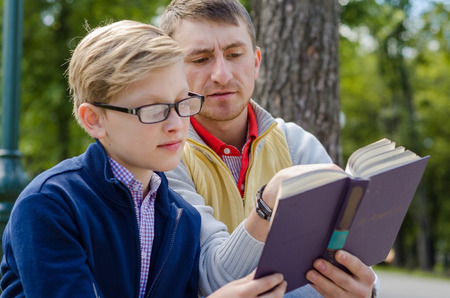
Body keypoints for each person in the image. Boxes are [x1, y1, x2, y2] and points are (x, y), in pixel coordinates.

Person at [0, 20, 287, 298]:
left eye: (182, 103)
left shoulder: (182, 218)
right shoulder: (50, 206)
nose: (176, 124)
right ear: (94, 119)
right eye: (153, 109)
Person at [160, 0, 380, 297]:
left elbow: (349, 259)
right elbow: (212, 282)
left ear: (256, 62)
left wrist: (369, 291)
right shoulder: (164, 156)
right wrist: (267, 204)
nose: (222, 75)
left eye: (235, 54)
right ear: (171, 71)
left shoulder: (298, 145)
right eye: (200, 59)